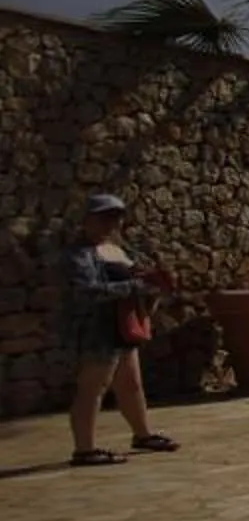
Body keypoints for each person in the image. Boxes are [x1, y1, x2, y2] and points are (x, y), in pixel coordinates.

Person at [64, 193, 178, 467]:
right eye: (103, 218)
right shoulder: (79, 255)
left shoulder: (118, 249)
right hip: (97, 330)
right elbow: (87, 291)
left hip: (122, 326)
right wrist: (135, 287)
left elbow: (136, 277)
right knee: (93, 387)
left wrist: (152, 286)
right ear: (87, 220)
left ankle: (142, 434)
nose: (109, 224)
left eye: (114, 218)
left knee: (131, 384)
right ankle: (84, 448)